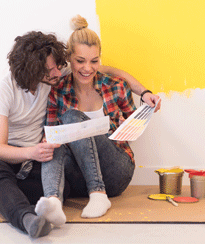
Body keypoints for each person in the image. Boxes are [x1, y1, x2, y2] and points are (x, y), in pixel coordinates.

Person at [0, 30, 159, 238]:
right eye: (48, 70)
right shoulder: (8, 89)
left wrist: (144, 93)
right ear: (32, 71)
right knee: (3, 174)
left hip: (50, 161)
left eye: (57, 67)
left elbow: (110, 71)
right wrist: (34, 151)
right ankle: (30, 218)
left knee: (66, 171)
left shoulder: (59, 77)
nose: (56, 73)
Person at [34, 15, 161, 227]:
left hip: (115, 171)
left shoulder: (115, 86)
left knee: (73, 118)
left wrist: (146, 106)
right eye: (80, 61)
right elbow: (50, 135)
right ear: (70, 60)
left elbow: (135, 126)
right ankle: (54, 202)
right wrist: (49, 141)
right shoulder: (58, 90)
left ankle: (99, 194)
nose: (87, 68)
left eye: (94, 61)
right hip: (77, 176)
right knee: (53, 140)